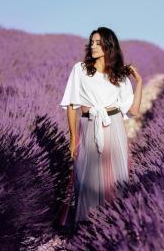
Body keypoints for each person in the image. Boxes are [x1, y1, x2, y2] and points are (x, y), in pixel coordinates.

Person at [58, 27, 142, 230]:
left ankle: (110, 226)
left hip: (113, 127)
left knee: (113, 179)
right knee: (86, 179)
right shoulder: (80, 69)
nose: (93, 46)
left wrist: (138, 82)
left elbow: (134, 110)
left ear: (109, 45)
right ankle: (85, 227)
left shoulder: (119, 75)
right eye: (92, 42)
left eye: (98, 42)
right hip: (88, 126)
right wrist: (72, 138)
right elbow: (71, 106)